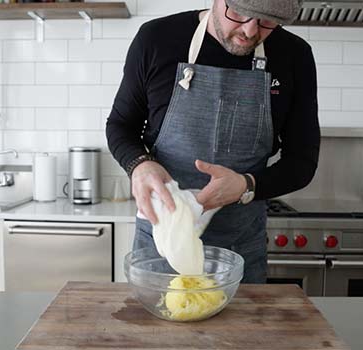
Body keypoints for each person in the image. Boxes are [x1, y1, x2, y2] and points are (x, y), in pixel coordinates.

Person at [106, 0, 319, 283]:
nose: (250, 31)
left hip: (238, 250)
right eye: (239, 14)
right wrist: (140, 165)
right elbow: (121, 125)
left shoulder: (294, 55)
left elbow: (302, 162)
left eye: (267, 21)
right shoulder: (158, 38)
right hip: (161, 243)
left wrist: (247, 186)